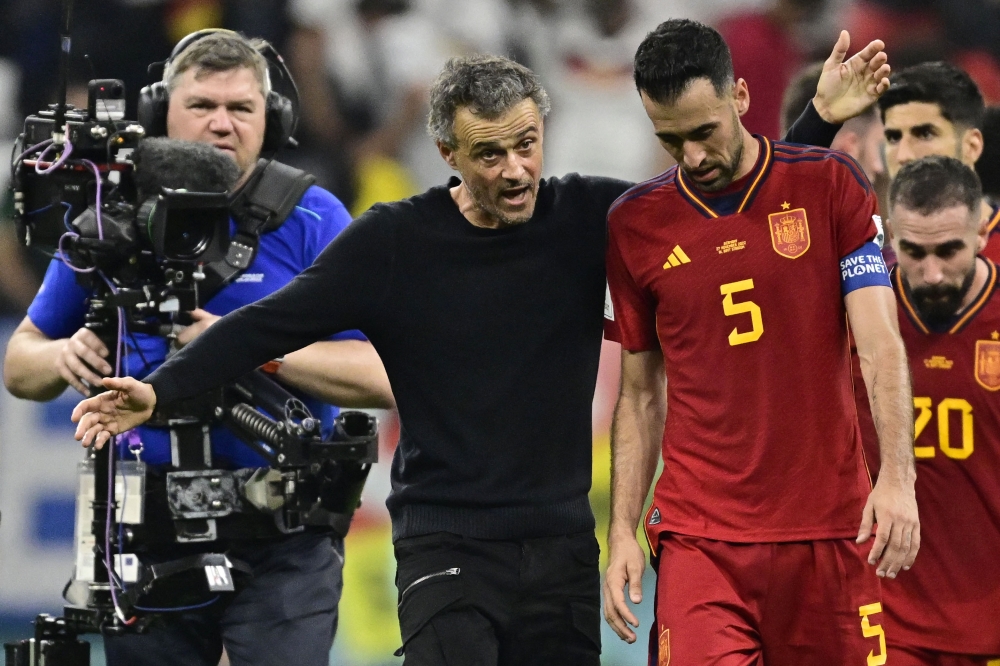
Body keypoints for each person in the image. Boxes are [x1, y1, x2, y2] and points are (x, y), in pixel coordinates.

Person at [68, 37, 894, 664]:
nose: (515, 170)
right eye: (490, 153)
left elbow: (728, 190)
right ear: (449, 155)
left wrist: (816, 118)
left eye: (527, 143)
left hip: (565, 546)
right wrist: (162, 391)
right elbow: (270, 325)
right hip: (447, 546)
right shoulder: (393, 242)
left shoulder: (591, 218)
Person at [3, 31, 393, 666]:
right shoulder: (112, 216)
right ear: (161, 113)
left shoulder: (316, 218)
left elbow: (385, 375)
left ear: (273, 120)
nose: (222, 124)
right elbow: (21, 362)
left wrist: (251, 348)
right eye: (203, 106)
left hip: (285, 532)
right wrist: (58, 357)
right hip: (148, 531)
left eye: (242, 108)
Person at [602, 19, 918, 665]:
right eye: (669, 140)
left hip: (832, 526)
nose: (691, 156)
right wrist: (623, 530)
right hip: (701, 538)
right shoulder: (635, 226)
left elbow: (880, 344)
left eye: (702, 133)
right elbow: (639, 394)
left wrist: (898, 481)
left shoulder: (832, 186)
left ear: (740, 97)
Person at [873, 156, 1000, 666]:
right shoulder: (860, 311)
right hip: (888, 620)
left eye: (949, 251)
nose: (931, 274)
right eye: (913, 252)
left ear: (982, 235)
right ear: (890, 240)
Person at [878, 62, 1000, 260]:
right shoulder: (873, 273)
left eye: (925, 134)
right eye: (894, 137)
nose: (903, 156)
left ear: (972, 146)